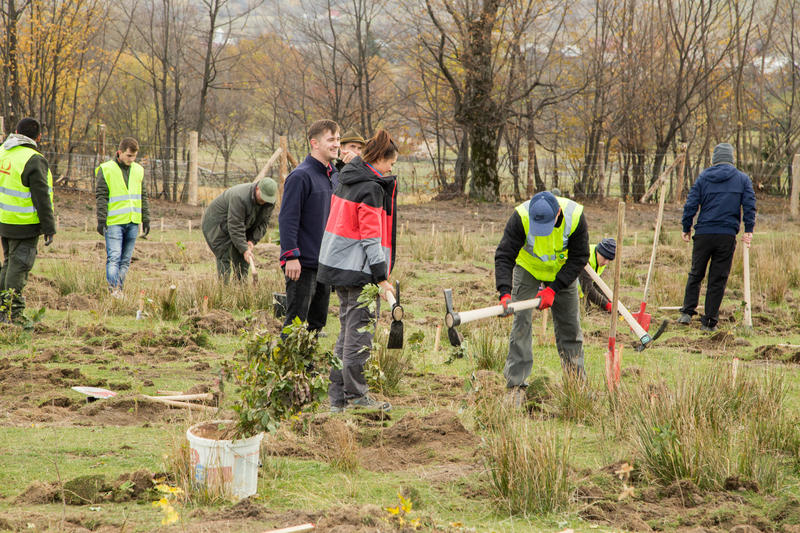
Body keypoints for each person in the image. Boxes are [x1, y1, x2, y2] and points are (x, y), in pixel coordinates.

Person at [317, 130, 398, 413]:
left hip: (339, 267)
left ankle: (338, 399)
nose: (390, 170)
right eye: (390, 164)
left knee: (346, 334)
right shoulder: (371, 189)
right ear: (380, 158)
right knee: (360, 334)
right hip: (358, 270)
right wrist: (381, 278)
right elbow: (371, 238)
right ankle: (356, 397)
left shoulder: (349, 179)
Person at [495, 190, 590, 406]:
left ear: (557, 214)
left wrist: (553, 289)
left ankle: (577, 387)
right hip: (528, 269)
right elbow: (504, 255)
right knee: (521, 323)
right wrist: (505, 292)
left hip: (562, 272)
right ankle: (516, 386)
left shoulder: (575, 217)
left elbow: (579, 257)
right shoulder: (521, 217)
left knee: (570, 328)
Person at [678, 143, 756, 332]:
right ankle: (709, 321)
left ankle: (687, 313)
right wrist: (749, 228)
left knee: (696, 273)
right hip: (726, 236)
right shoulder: (742, 179)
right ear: (731, 159)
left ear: (714, 160)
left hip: (703, 234)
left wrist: (686, 227)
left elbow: (691, 203)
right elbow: (749, 204)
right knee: (717, 278)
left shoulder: (703, 177)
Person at [278, 120, 339, 335]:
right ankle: (286, 357)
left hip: (324, 262)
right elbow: (288, 218)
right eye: (331, 140)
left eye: (338, 139)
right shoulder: (300, 176)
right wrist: (291, 256)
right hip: (302, 264)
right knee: (295, 323)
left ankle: (309, 356)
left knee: (317, 323)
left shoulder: (334, 176)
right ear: (315, 143)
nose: (336, 144)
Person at [0, 118, 56, 323]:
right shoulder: (34, 159)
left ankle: (2, 310)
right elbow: (42, 197)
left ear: (16, 132)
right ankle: (13, 314)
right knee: (19, 267)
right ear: (38, 137)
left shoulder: (3, 152)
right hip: (24, 224)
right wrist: (49, 227)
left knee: (8, 265)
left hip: (4, 221)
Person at [95, 138, 150, 297]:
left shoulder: (138, 170)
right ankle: (114, 291)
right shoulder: (106, 169)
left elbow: (143, 196)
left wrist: (146, 218)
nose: (131, 159)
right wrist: (101, 220)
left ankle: (118, 291)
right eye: (129, 156)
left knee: (125, 261)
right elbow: (101, 196)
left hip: (133, 221)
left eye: (134, 156)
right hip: (114, 223)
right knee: (114, 258)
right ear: (119, 152)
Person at [201, 178, 278, 281]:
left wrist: (251, 241)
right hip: (217, 223)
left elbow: (263, 224)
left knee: (243, 259)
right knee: (224, 256)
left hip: (243, 223)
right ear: (257, 188)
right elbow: (235, 226)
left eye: (267, 199)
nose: (264, 201)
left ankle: (240, 286)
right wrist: (244, 249)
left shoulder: (269, 201)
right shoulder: (240, 197)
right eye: (263, 197)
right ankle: (224, 287)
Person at [577, 238, 616, 312]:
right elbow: (587, 288)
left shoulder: (600, 260)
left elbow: (597, 285)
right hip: (567, 290)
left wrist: (610, 301)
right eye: (605, 258)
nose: (606, 262)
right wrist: (606, 305)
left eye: (609, 260)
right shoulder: (585, 257)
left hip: (580, 291)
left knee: (586, 310)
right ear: (599, 251)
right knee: (582, 312)